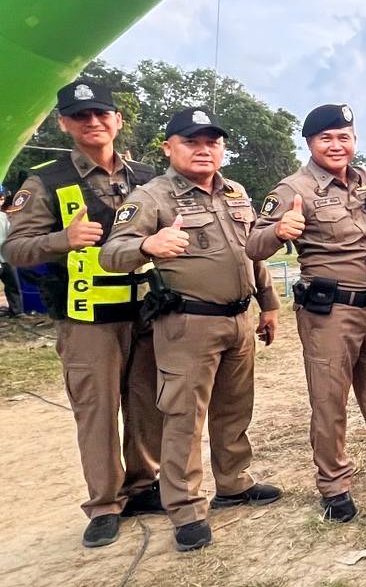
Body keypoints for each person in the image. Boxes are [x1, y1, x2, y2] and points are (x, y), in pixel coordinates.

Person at [100, 107, 282, 553]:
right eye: (191, 141)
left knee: (234, 408)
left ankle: (234, 483)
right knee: (184, 417)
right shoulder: (151, 197)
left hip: (238, 319)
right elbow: (111, 253)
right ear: (168, 148)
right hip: (187, 324)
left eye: (212, 142)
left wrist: (269, 304)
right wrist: (148, 244)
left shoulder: (235, 191)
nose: (204, 150)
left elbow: (251, 253)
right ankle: (184, 508)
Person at [247, 104, 366, 522]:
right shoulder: (292, 189)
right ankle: (333, 484)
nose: (336, 145)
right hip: (328, 311)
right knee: (330, 399)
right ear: (310, 143)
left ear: (354, 140)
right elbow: (253, 246)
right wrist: (279, 230)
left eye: (344, 137)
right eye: (326, 138)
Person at [0, 81, 163, 548]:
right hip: (87, 319)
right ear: (64, 124)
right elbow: (13, 250)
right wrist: (62, 240)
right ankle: (105, 503)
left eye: (101, 113)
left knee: (147, 404)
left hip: (145, 311)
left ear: (117, 120)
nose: (93, 122)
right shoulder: (45, 180)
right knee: (96, 411)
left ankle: (143, 485)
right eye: (80, 115)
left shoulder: (148, 176)